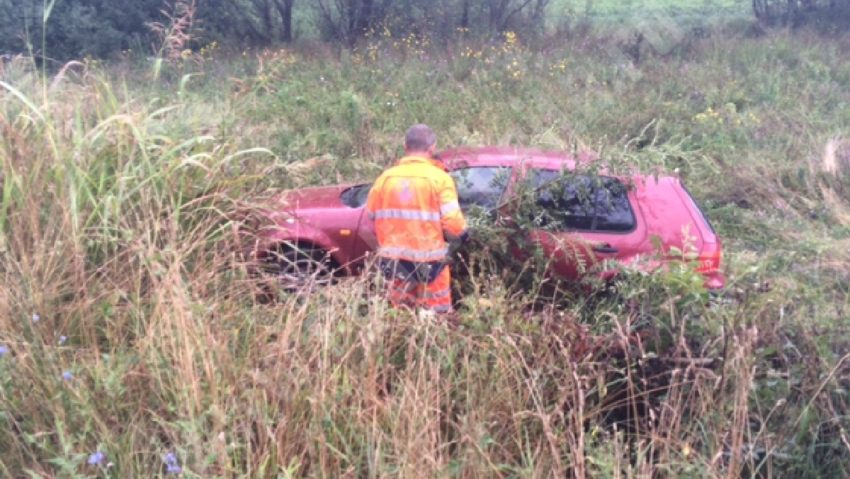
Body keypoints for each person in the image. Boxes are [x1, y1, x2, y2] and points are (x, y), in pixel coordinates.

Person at [365, 124, 469, 314]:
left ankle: (404, 341)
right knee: (436, 314)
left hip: (394, 262)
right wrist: (462, 236)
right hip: (431, 264)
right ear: (432, 148)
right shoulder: (440, 179)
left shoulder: (385, 179)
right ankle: (431, 340)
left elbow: (369, 217)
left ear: (405, 146)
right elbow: (454, 225)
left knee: (402, 313)